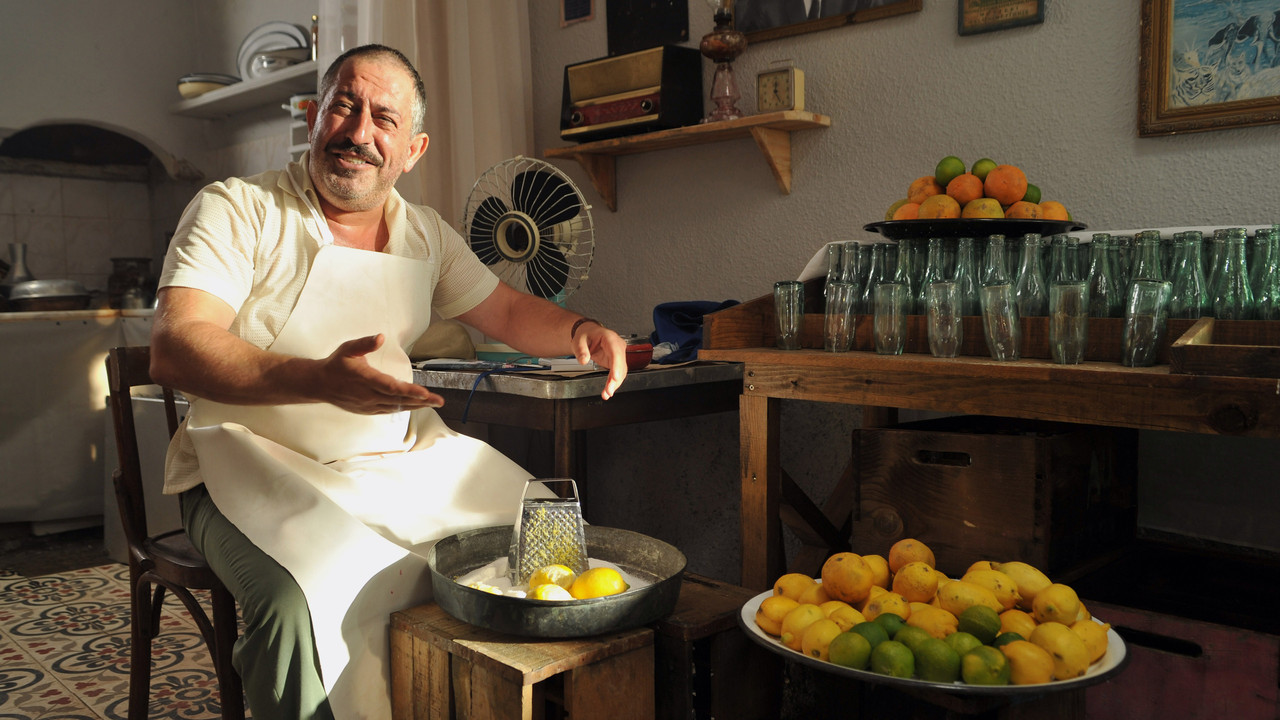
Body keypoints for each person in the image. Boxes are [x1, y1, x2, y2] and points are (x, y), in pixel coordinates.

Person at [149, 44, 628, 720]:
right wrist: (318, 380)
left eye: (383, 118)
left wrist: (583, 330)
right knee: (299, 605)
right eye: (343, 106)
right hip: (239, 462)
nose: (357, 133)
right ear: (315, 117)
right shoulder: (238, 208)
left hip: (392, 458)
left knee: (542, 535)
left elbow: (510, 310)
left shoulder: (424, 234)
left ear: (413, 148)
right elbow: (175, 346)